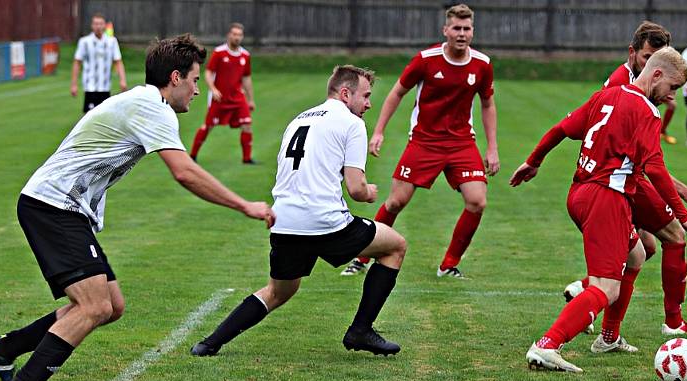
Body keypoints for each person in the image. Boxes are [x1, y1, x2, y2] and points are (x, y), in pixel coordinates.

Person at [0, 34, 274, 381]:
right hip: (52, 205)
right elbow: (184, 172)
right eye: (195, 80)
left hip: (64, 207)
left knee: (111, 305)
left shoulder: (146, 102)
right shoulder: (152, 107)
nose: (198, 90)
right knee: (94, 306)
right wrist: (244, 205)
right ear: (175, 78)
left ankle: (5, 347)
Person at [510, 47, 687, 372]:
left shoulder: (607, 95)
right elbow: (654, 168)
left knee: (637, 255)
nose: (671, 97)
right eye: (671, 88)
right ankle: (548, 345)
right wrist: (685, 217)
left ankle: (609, 337)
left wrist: (533, 161)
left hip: (580, 192)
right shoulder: (646, 111)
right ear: (656, 75)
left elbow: (561, 129)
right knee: (606, 288)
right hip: (607, 199)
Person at [191, 66, 406, 358]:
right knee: (395, 247)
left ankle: (210, 343)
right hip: (325, 222)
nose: (369, 104)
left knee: (279, 291)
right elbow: (356, 189)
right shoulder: (352, 123)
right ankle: (361, 330)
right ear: (345, 94)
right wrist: (369, 192)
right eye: (366, 96)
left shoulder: (299, 119)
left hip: (284, 221)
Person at [563, 22, 687, 347]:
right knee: (667, 238)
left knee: (643, 250)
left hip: (623, 178)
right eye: (646, 56)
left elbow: (647, 157)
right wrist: (684, 205)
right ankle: (669, 322)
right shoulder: (621, 85)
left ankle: (602, 321)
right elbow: (645, 162)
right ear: (635, 54)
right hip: (614, 182)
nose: (649, 63)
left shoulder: (649, 90)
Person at [341, 3, 498, 279]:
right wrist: (378, 131)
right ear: (445, 30)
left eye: (467, 28)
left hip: (462, 143)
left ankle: (448, 265)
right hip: (424, 142)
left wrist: (492, 148)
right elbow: (396, 93)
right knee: (395, 202)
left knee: (477, 201)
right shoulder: (426, 59)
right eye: (456, 28)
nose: (462, 33)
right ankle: (362, 256)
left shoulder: (482, 65)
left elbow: (487, 104)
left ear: (473, 31)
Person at [190, 23, 256, 164]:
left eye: (239, 35)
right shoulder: (219, 52)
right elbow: (208, 72)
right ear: (229, 35)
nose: (236, 37)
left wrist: (251, 99)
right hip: (219, 98)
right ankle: (193, 156)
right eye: (234, 34)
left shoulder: (245, 55)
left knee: (247, 124)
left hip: (238, 97)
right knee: (208, 126)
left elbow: (246, 78)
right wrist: (213, 89)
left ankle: (247, 158)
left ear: (242, 37)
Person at [71, 13, 127, 113]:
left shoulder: (111, 42)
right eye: (96, 24)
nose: (98, 26)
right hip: (90, 87)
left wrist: (122, 80)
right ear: (92, 26)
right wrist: (74, 84)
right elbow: (77, 62)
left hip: (105, 87)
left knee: (105, 117)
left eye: (100, 24)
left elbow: (118, 62)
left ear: (104, 25)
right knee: (89, 117)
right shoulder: (84, 42)